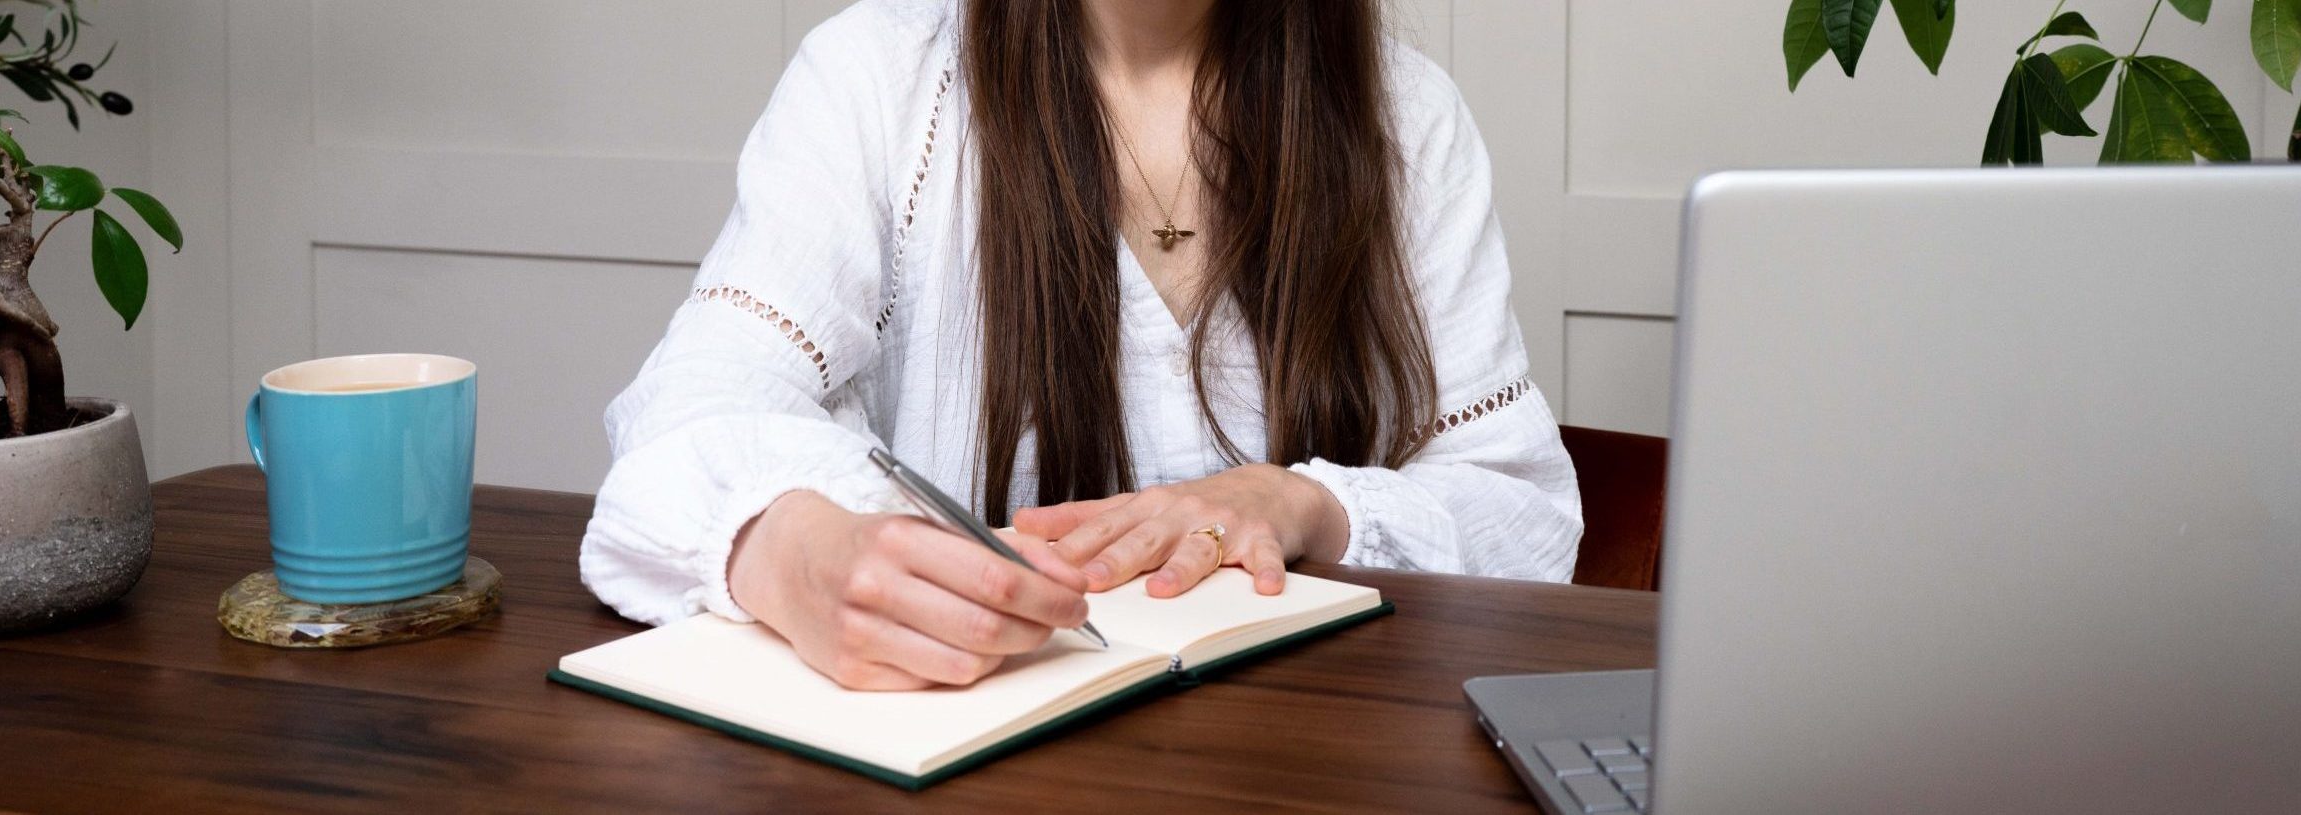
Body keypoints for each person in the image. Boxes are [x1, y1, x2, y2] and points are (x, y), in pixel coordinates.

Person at [581, 0, 1581, 690]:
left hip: (1317, 756)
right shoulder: (878, 76)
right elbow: (689, 409)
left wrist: (1304, 502)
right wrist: (786, 549)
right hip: (969, 733)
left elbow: (1520, 513)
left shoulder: (1408, 115)